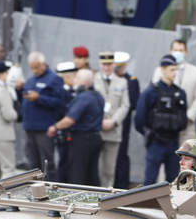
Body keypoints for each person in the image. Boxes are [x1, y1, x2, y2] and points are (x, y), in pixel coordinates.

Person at [136, 54, 188, 185]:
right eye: (172, 70)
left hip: (173, 142)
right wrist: (149, 134)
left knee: (173, 179)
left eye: (176, 70)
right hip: (156, 142)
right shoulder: (150, 92)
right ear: (163, 69)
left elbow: (183, 119)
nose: (175, 73)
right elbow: (139, 120)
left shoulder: (180, 93)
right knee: (150, 180)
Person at [47, 69, 104, 186]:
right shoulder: (98, 96)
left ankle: (77, 202)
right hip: (96, 138)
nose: (74, 80)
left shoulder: (83, 98)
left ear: (83, 83)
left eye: (76, 78)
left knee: (77, 174)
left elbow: (70, 120)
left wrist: (54, 127)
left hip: (81, 140)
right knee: (92, 174)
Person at [21, 51, 65, 180]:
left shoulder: (54, 79)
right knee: (32, 163)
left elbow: (59, 103)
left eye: (36, 67)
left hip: (44, 128)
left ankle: (50, 189)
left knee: (46, 163)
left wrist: (39, 98)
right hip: (30, 127)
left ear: (43, 64)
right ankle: (34, 190)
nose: (34, 70)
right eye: (31, 68)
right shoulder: (31, 80)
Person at [151, 39, 196, 144]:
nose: (178, 53)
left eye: (181, 50)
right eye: (175, 50)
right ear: (170, 51)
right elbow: (154, 95)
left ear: (186, 52)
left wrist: (188, 117)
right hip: (164, 126)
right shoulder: (159, 71)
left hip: (187, 126)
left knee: (187, 157)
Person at [94, 51, 130, 187]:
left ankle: (107, 196)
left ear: (113, 64)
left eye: (109, 64)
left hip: (113, 131)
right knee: (95, 167)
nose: (106, 67)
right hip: (96, 130)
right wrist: (99, 121)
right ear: (99, 64)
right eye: (104, 64)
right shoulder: (93, 79)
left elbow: (125, 105)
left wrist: (113, 121)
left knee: (109, 169)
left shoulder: (122, 82)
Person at [113, 51, 140, 188]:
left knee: (121, 154)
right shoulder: (108, 79)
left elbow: (134, 103)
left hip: (123, 123)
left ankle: (121, 185)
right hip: (106, 122)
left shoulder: (131, 81)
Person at [54, 61, 78, 182]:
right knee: (64, 161)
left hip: (75, 133)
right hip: (64, 132)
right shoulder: (61, 92)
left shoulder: (74, 90)